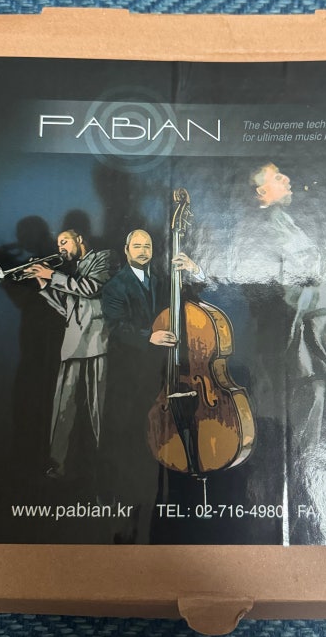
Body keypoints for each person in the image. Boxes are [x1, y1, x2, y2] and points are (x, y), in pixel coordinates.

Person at [241, 162, 326, 542]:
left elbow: (306, 280)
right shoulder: (271, 225)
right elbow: (311, 269)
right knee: (313, 406)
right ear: (261, 193)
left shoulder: (281, 221)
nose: (287, 179)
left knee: (324, 403)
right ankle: (308, 493)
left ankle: (316, 488)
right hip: (307, 332)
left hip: (317, 325)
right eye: (277, 177)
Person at [99, 228, 199, 541]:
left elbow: (190, 299)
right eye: (137, 245)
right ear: (126, 249)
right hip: (131, 376)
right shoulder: (115, 286)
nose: (143, 250)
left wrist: (193, 270)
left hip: (163, 372)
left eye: (148, 245)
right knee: (133, 437)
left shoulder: (161, 281)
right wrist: (149, 337)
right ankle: (128, 506)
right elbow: (115, 328)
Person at [26, 229, 117, 480]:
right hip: (72, 346)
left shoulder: (104, 258)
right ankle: (58, 465)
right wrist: (44, 283)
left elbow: (90, 288)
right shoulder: (73, 270)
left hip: (96, 343)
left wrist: (52, 275)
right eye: (58, 245)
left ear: (79, 239)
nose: (61, 248)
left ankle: (103, 468)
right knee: (63, 409)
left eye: (64, 242)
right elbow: (66, 309)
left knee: (98, 410)